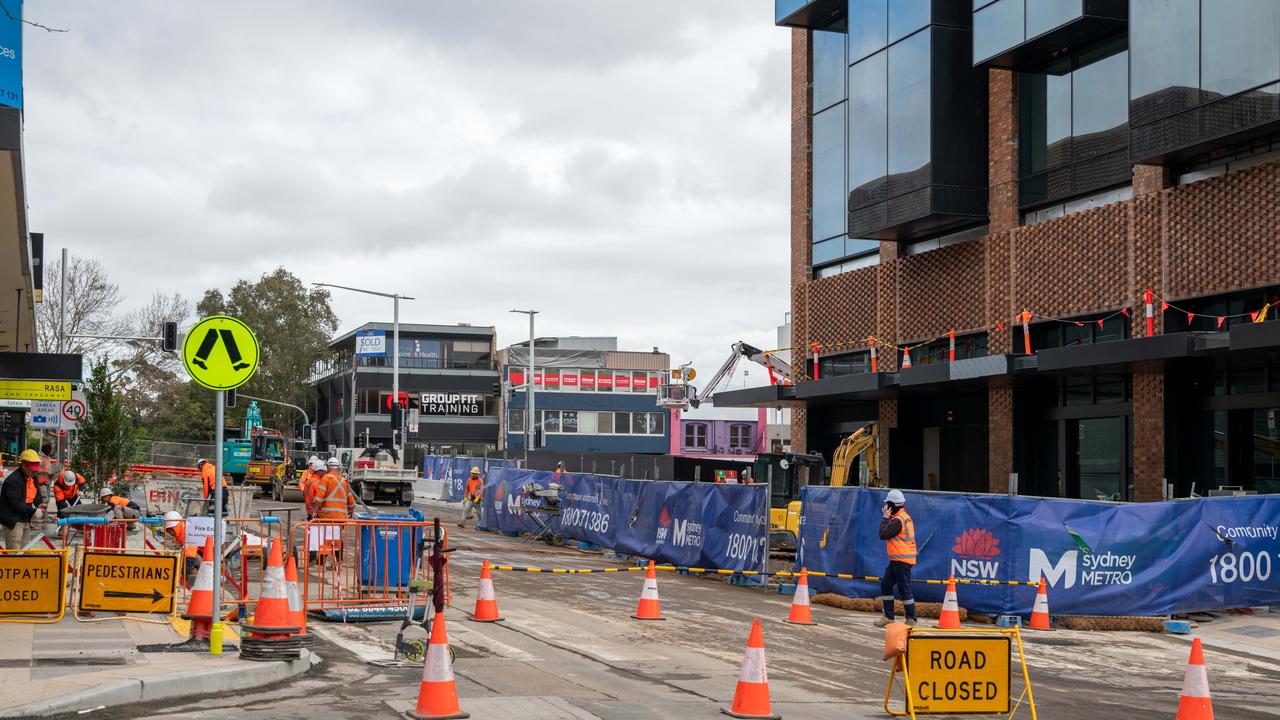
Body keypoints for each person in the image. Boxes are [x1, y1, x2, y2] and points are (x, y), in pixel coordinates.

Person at [875, 489, 918, 627]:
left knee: (904, 588)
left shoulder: (898, 520)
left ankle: (911, 618)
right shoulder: (901, 518)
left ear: (893, 505)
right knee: (886, 584)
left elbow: (883, 534)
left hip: (902, 561)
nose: (886, 507)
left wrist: (885, 518)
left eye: (887, 504)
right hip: (896, 560)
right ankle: (888, 617)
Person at [0, 449, 47, 548]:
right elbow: (15, 503)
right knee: (14, 551)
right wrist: (33, 511)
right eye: (32, 470)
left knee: (25, 550)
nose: (34, 472)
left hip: (25, 519)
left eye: (35, 470)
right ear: (23, 466)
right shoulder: (13, 481)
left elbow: (36, 495)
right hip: (13, 520)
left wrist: (39, 504)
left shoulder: (32, 477)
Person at [162, 511, 202, 585]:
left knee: (193, 564)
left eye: (171, 529)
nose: (170, 532)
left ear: (177, 526)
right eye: (168, 530)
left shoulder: (188, 533)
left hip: (209, 553)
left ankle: (195, 580)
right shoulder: (181, 532)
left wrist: (178, 573)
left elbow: (190, 557)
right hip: (200, 551)